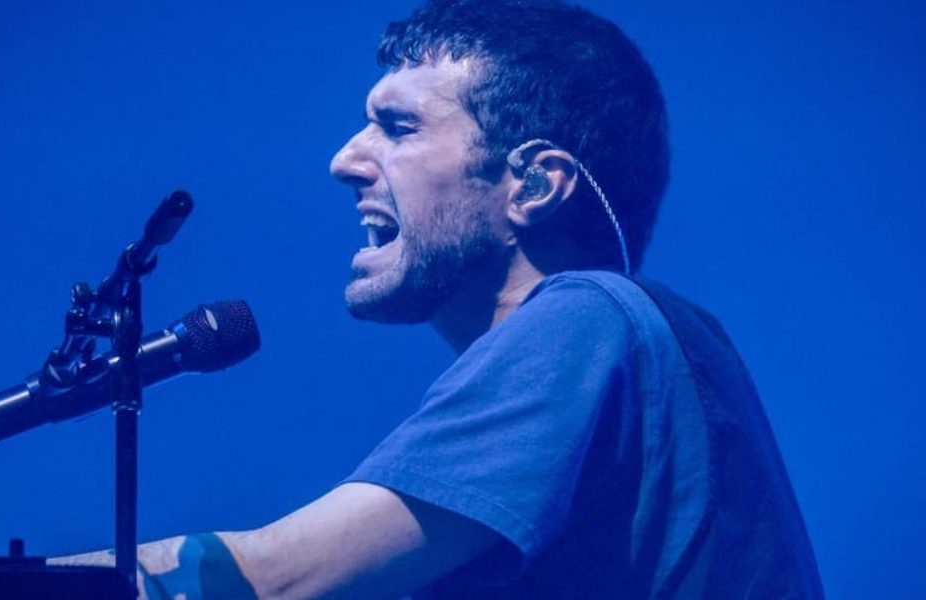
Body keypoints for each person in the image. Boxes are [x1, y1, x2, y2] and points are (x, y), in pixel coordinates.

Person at [55, 0, 824, 597]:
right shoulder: (663, 343)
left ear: (533, 183)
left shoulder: (586, 315)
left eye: (397, 126)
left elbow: (275, 578)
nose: (344, 161)